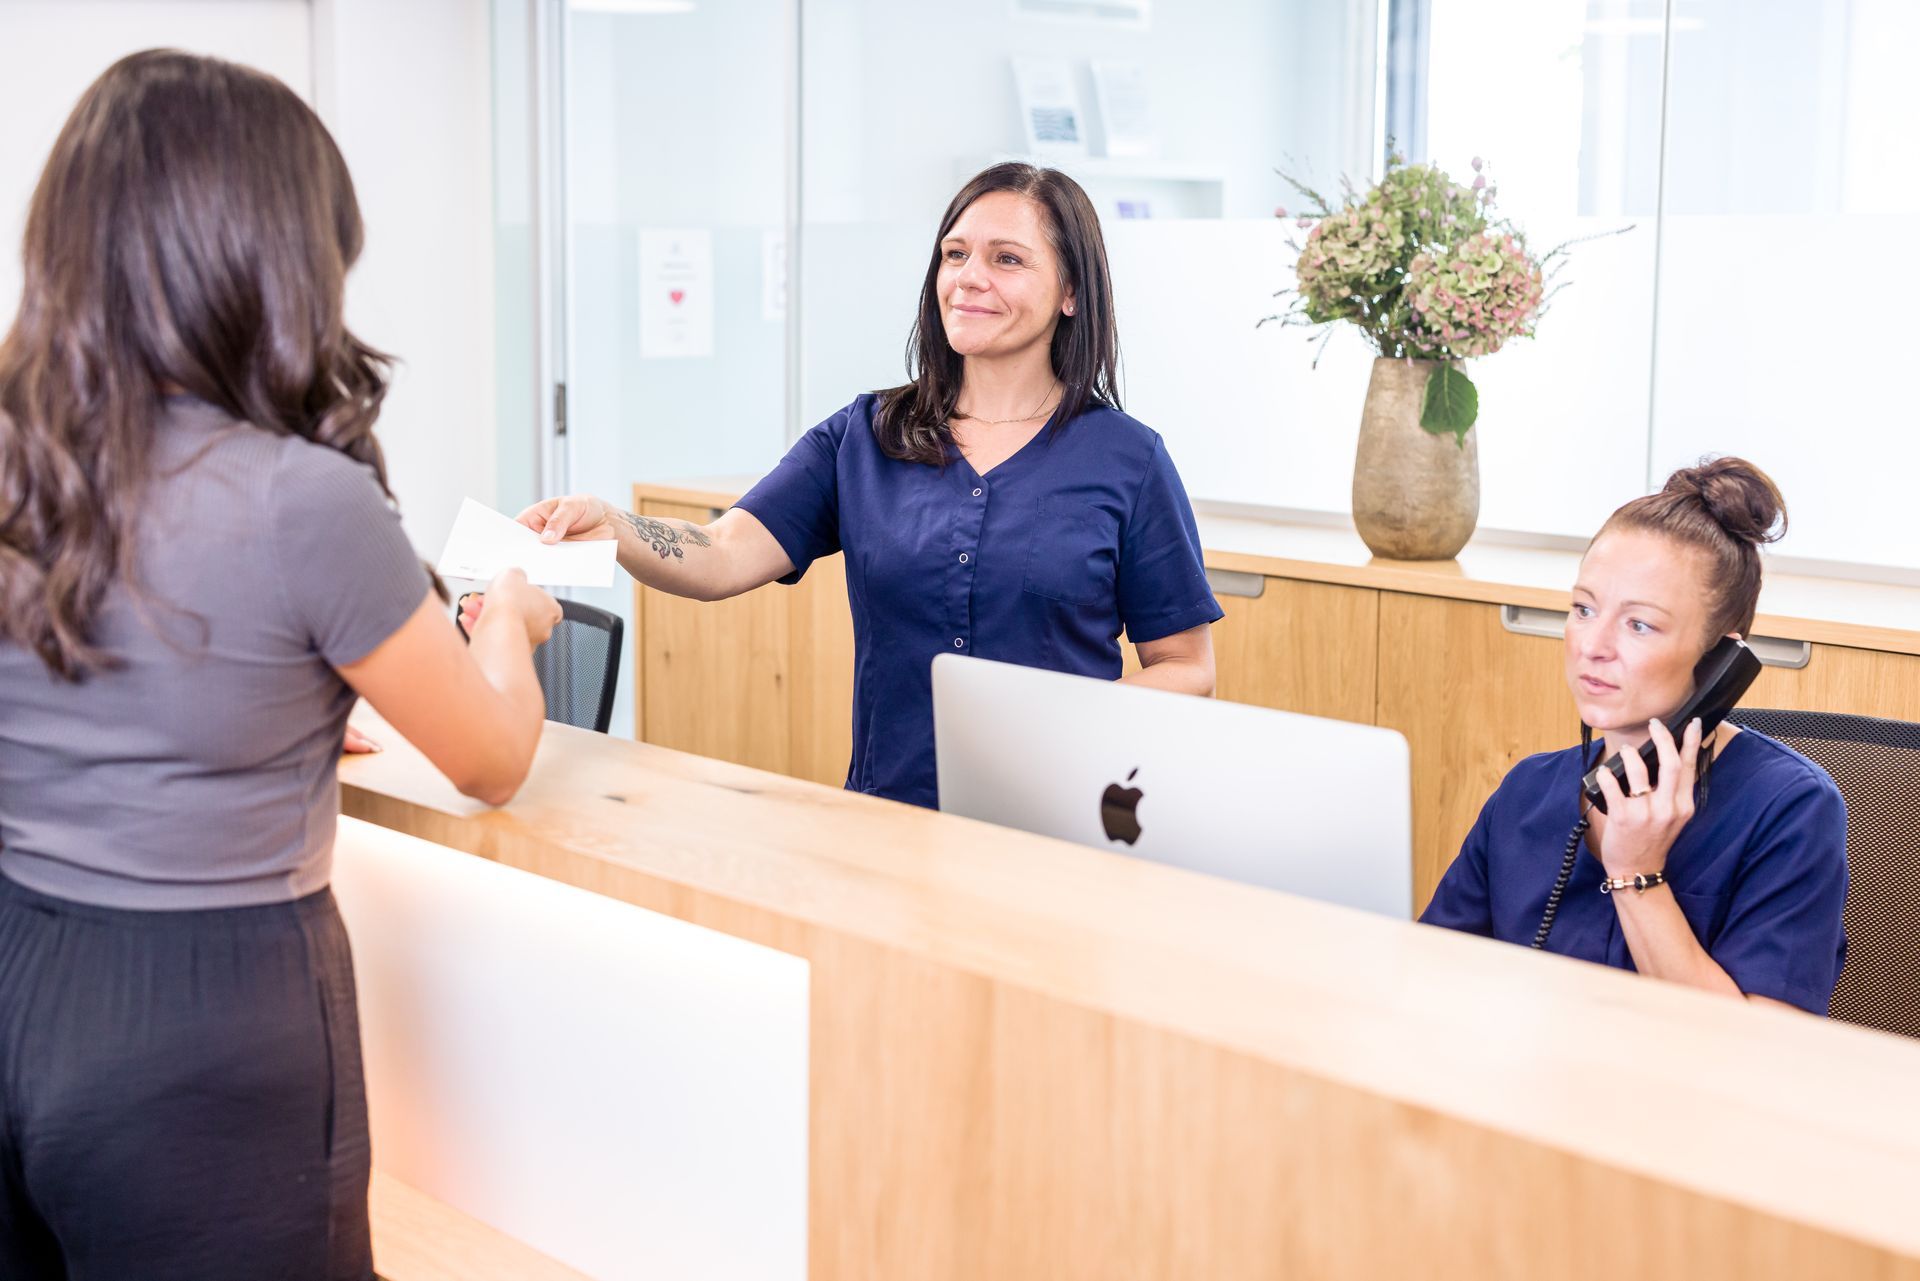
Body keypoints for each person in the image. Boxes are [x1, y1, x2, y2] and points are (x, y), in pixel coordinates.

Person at [0, 51, 562, 1279]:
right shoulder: (300, 499)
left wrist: (264, 725)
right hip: (204, 1019)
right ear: (272, 258)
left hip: (21, 969)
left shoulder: (21, 457)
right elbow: (493, 758)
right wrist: (507, 627)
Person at [513, 163, 1223, 807]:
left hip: (1059, 816)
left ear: (1070, 292)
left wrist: (1065, 726)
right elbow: (721, 552)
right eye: (954, 254)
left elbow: (1187, 667)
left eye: (1006, 259)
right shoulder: (866, 434)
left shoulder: (1129, 461)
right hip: (887, 814)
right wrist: (612, 524)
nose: (968, 277)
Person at [1421, 458, 1848, 1014]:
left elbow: (1762, 1051)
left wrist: (1636, 874)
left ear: (1720, 657)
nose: (1592, 645)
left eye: (1638, 623)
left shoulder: (1791, 809)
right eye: (1583, 608)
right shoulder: (1529, 791)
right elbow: (1426, 975)